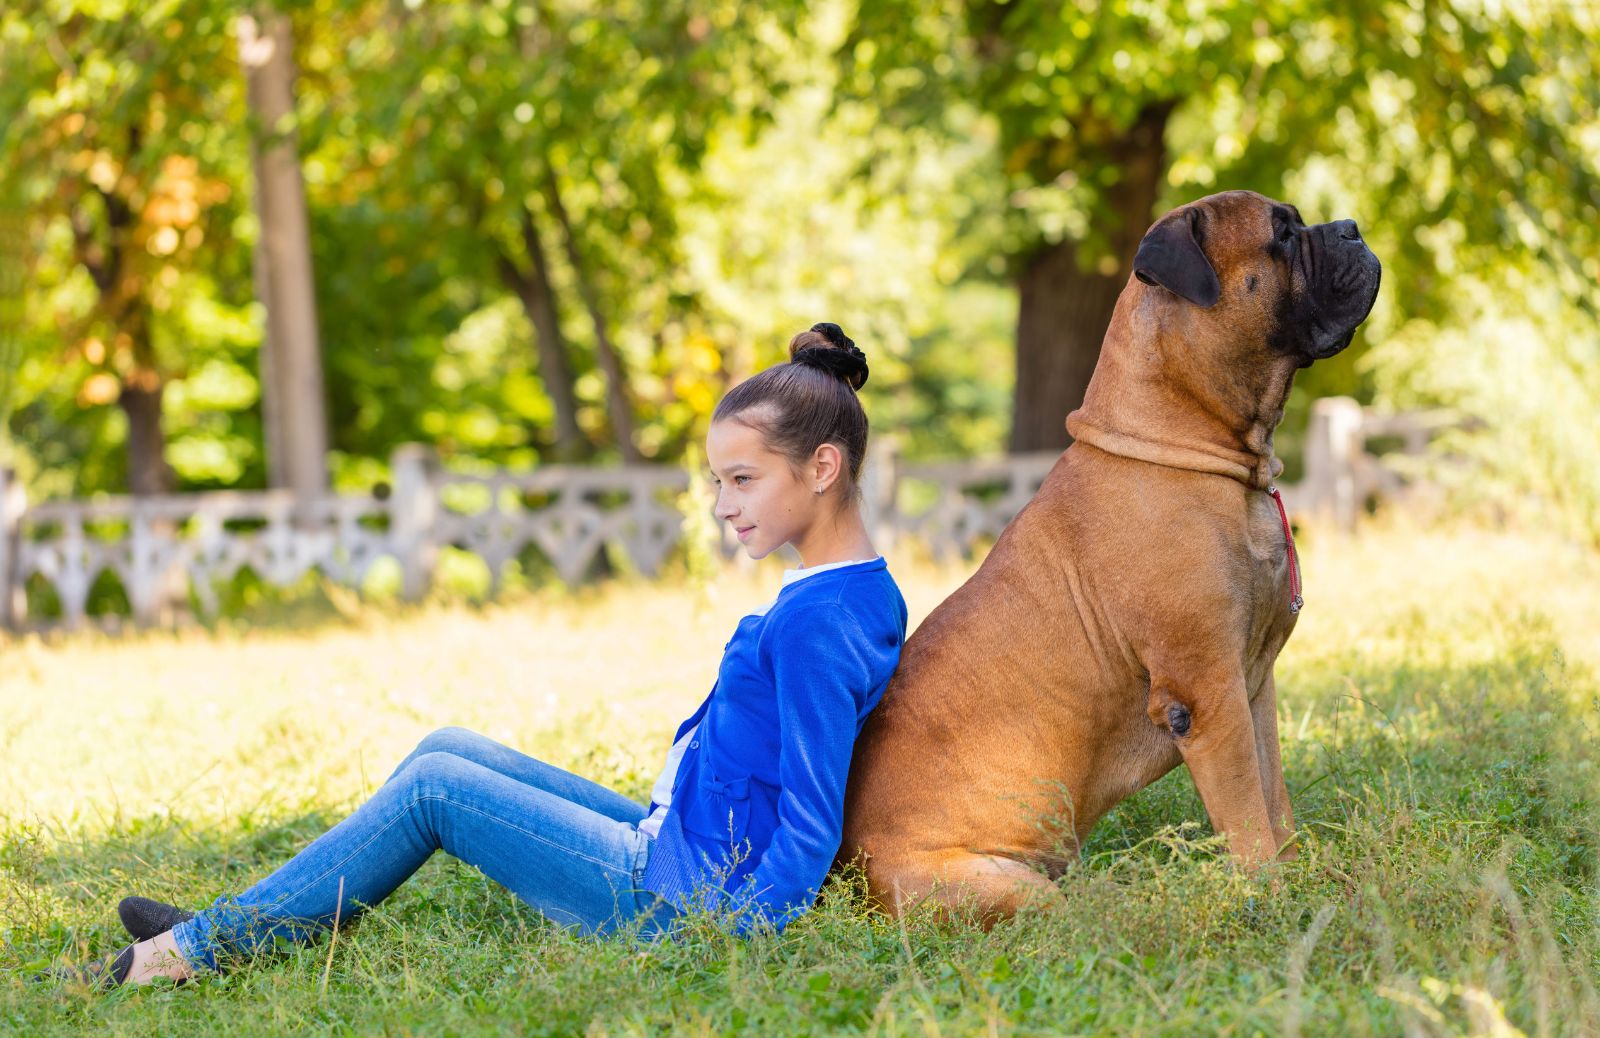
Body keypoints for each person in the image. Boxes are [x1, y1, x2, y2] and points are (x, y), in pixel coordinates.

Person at [54, 322, 908, 988]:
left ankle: (196, 949)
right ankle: (254, 914)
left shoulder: (817, 619)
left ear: (823, 466)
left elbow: (809, 813)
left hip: (681, 897)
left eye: (743, 480)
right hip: (679, 835)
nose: (723, 505)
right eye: (718, 481)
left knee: (438, 790)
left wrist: (741, 942)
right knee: (448, 748)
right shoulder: (849, 588)